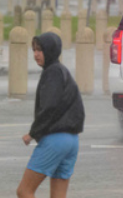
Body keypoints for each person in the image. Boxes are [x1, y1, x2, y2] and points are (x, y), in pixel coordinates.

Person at [16, 32, 84, 198]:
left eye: (40, 50)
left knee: (24, 191)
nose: (36, 54)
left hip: (55, 139)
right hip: (72, 141)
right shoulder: (63, 72)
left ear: (51, 51)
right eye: (34, 50)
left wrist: (33, 133)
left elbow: (49, 108)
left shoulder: (52, 73)